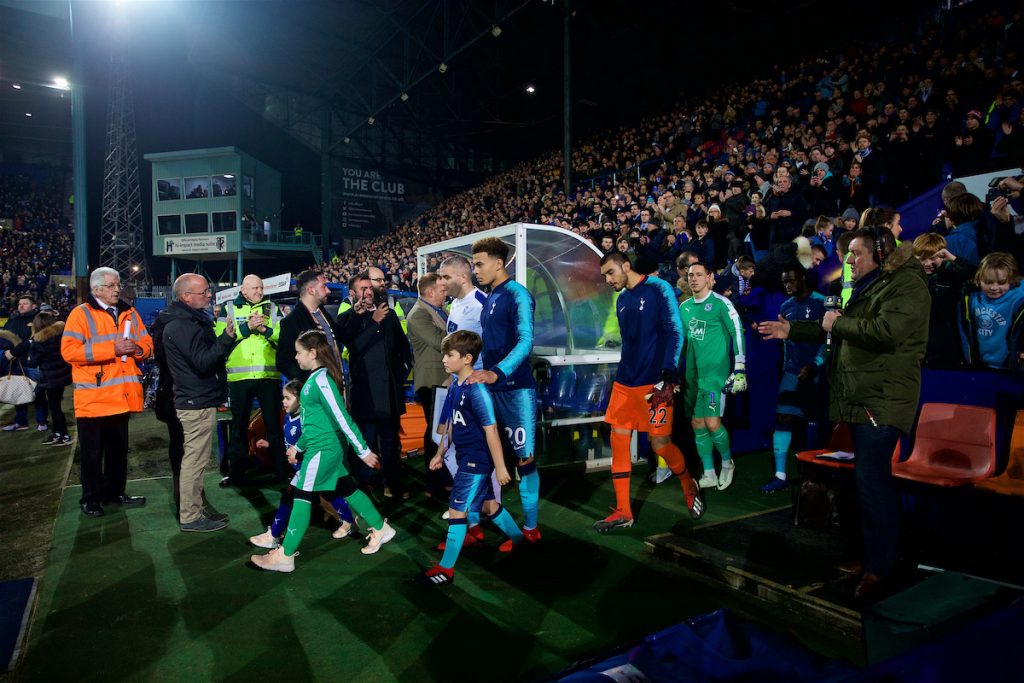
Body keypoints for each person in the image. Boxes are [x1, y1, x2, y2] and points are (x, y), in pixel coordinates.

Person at [758, 228, 930, 601]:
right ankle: (867, 557)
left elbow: (886, 332)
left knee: (872, 484)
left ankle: (880, 568)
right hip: (858, 398)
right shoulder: (872, 285)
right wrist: (793, 330)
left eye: (855, 253)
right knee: (857, 485)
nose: (848, 260)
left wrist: (837, 322)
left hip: (882, 399)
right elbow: (832, 331)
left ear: (880, 253)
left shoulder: (908, 285)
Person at [251, 331, 394, 572]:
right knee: (346, 488)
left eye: (299, 352)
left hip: (323, 450)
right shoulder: (316, 379)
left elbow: (341, 417)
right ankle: (381, 528)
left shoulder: (320, 380)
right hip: (323, 447)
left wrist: (362, 450)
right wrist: (299, 445)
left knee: (300, 496)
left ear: (312, 353)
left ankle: (285, 555)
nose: (295, 357)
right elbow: (318, 421)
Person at [593, 252, 704, 531]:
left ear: (626, 266)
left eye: (610, 272)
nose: (607, 279)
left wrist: (669, 371)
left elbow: (675, 331)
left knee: (660, 444)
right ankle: (623, 511)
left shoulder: (659, 288)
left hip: (656, 383)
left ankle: (688, 484)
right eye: (604, 275)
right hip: (625, 382)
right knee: (618, 438)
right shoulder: (622, 300)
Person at [415, 331, 524, 586]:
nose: (443, 359)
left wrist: (499, 467)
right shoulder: (455, 386)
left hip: (476, 460)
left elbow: (491, 430)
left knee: (456, 508)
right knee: (488, 505)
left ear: (467, 358)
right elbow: (451, 426)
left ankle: (446, 570)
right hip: (466, 457)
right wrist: (440, 453)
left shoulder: (478, 391)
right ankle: (521, 541)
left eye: (449, 355)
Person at [468, 237, 542, 551]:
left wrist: (496, 372)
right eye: (474, 264)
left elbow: (526, 343)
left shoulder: (518, 295)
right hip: (492, 387)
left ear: (499, 263)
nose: (476, 270)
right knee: (484, 455)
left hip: (517, 391)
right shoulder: (491, 296)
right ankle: (479, 519)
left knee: (524, 459)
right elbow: (490, 345)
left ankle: (531, 529)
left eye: (480, 263)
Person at [61, 267, 153, 517]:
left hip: (121, 397)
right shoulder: (80, 315)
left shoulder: (130, 312)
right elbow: (69, 352)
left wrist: (137, 349)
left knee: (118, 451)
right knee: (91, 454)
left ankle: (115, 492)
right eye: (112, 285)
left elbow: (147, 344)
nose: (118, 289)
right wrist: (111, 349)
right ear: (97, 289)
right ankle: (90, 499)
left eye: (118, 284)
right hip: (93, 399)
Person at [161, 274, 236, 533]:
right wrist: (226, 338)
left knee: (197, 459)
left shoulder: (185, 321)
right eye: (203, 291)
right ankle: (191, 516)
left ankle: (195, 509)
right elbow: (203, 362)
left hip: (196, 397)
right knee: (194, 460)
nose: (209, 295)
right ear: (186, 297)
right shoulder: (182, 325)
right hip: (195, 400)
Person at [248, 379, 357, 550]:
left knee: (293, 497)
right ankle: (350, 521)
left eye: (288, 398)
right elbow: (288, 443)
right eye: (283, 398)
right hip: (302, 469)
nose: (283, 401)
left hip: (310, 468)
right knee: (329, 494)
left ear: (300, 400)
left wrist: (300, 455)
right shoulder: (288, 418)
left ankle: (275, 535)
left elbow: (313, 444)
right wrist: (270, 444)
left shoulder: (307, 420)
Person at [337, 271, 412, 500]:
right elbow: (353, 347)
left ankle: (392, 485)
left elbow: (402, 347)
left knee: (391, 443)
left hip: (389, 392)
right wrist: (371, 321)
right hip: (365, 394)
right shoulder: (347, 318)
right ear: (352, 293)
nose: (369, 292)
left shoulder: (387, 314)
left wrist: (400, 375)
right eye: (363, 288)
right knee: (366, 442)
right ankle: (364, 488)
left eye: (370, 287)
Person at [678, 262, 747, 490]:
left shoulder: (720, 303)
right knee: (697, 422)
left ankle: (727, 463)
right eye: (690, 275)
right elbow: (682, 342)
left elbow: (737, 331)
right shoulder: (685, 307)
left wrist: (739, 366)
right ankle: (708, 472)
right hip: (694, 377)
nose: (694, 279)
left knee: (712, 421)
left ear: (710, 278)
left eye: (699, 274)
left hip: (715, 376)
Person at [760, 267, 826, 493]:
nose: (787, 285)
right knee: (783, 417)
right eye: (784, 282)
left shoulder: (821, 302)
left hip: (817, 371)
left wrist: (816, 365)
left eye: (791, 280)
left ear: (803, 278)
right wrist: (789, 369)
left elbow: (830, 340)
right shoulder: (785, 307)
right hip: (792, 372)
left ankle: (814, 475)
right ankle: (780, 475)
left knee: (814, 421)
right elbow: (787, 344)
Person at [224, 274, 286, 484]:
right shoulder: (229, 309)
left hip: (268, 376)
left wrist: (264, 330)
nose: (259, 292)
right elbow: (221, 337)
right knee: (239, 427)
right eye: (254, 288)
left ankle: (281, 471)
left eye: (261, 288)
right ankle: (236, 474)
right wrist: (247, 329)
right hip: (240, 378)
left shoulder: (273, 308)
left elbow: (281, 336)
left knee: (274, 426)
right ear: (243, 290)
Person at [406, 273, 452, 502]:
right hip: (432, 381)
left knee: (441, 430)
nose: (447, 293)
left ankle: (443, 479)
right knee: (435, 432)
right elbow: (441, 342)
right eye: (443, 289)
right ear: (430, 292)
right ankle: (434, 484)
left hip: (441, 380)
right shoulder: (418, 314)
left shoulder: (438, 311)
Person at [960, 252, 1024, 369]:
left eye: (1001, 283)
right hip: (979, 365)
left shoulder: (1019, 300)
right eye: (988, 282)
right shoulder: (972, 297)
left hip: (1011, 367)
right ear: (979, 280)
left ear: (1012, 279)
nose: (994, 287)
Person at [276, 270, 341, 383]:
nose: (328, 291)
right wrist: (309, 382)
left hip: (334, 383)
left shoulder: (323, 314)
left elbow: (344, 336)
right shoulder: (291, 321)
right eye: (324, 286)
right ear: (311, 290)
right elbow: (283, 362)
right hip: (315, 391)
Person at [1, 294, 47, 432]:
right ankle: (21, 422)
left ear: (34, 306)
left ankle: (42, 421)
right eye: (20, 303)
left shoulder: (38, 320)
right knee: (18, 392)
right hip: (15, 363)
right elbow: (4, 338)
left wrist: (14, 351)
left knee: (37, 392)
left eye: (25, 303)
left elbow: (34, 340)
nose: (21, 305)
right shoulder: (13, 320)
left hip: (32, 362)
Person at [27, 310, 72, 446]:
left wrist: (30, 349)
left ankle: (63, 435)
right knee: (55, 405)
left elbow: (32, 362)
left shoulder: (38, 342)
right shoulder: (60, 335)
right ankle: (57, 433)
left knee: (55, 407)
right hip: (62, 376)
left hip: (50, 378)